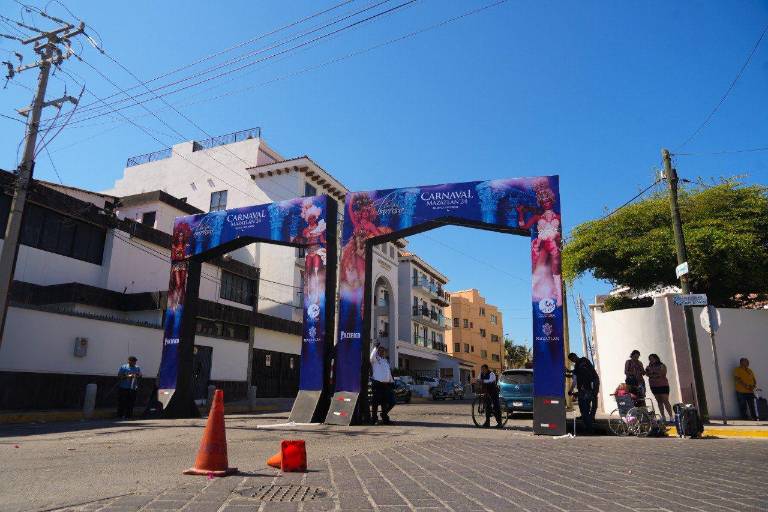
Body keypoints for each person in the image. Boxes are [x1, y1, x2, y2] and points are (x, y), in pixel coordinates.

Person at [568, 353, 600, 434]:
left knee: (584, 408)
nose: (573, 360)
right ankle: (590, 420)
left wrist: (571, 390)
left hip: (586, 388)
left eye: (572, 359)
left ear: (575, 356)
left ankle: (589, 426)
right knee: (590, 405)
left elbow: (575, 380)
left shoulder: (581, 364)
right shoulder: (582, 362)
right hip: (590, 387)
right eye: (572, 360)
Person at [370, 342, 394, 425]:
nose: (382, 352)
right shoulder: (375, 359)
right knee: (375, 403)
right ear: (377, 352)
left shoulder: (385, 361)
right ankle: (374, 419)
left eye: (383, 351)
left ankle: (384, 418)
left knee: (386, 403)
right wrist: (375, 347)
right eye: (380, 351)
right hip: (377, 384)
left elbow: (388, 372)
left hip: (386, 385)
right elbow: (371, 357)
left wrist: (391, 381)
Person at [646, 354, 673, 423]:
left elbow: (662, 374)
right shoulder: (648, 367)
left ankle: (671, 417)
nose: (651, 360)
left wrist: (652, 375)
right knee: (659, 401)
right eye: (649, 359)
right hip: (654, 386)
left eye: (652, 358)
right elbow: (647, 374)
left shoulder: (662, 365)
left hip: (662, 385)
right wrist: (652, 374)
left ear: (656, 358)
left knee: (665, 400)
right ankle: (663, 417)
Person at [478, 364, 502, 428]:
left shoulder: (492, 374)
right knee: (487, 407)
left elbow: (490, 380)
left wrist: (482, 380)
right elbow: (478, 379)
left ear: (487, 369)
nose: (482, 370)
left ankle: (500, 423)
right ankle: (487, 423)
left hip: (493, 392)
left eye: (483, 369)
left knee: (496, 406)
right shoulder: (481, 374)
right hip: (486, 392)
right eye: (481, 369)